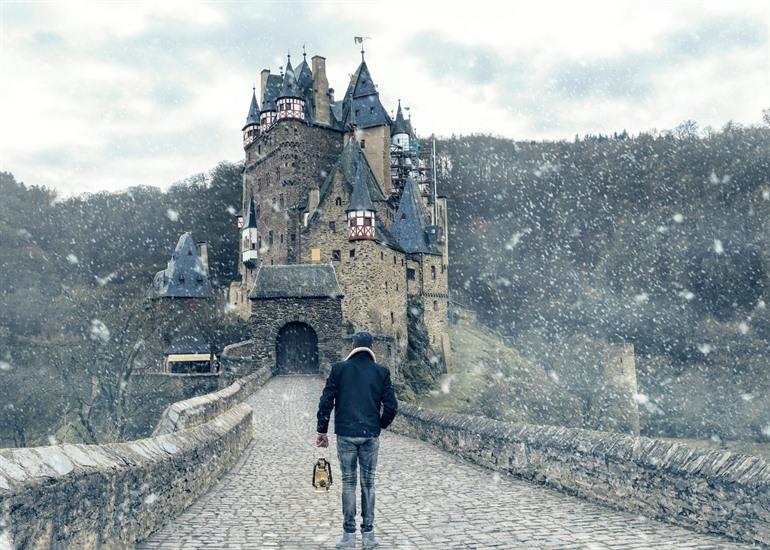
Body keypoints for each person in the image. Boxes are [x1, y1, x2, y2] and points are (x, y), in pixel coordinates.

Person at [315, 332, 398, 549]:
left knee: (349, 483)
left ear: (353, 345)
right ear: (371, 347)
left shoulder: (339, 370)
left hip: (346, 434)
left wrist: (321, 432)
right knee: (368, 484)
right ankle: (368, 535)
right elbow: (391, 407)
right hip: (370, 434)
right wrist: (379, 425)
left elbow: (326, 402)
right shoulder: (381, 372)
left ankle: (348, 536)